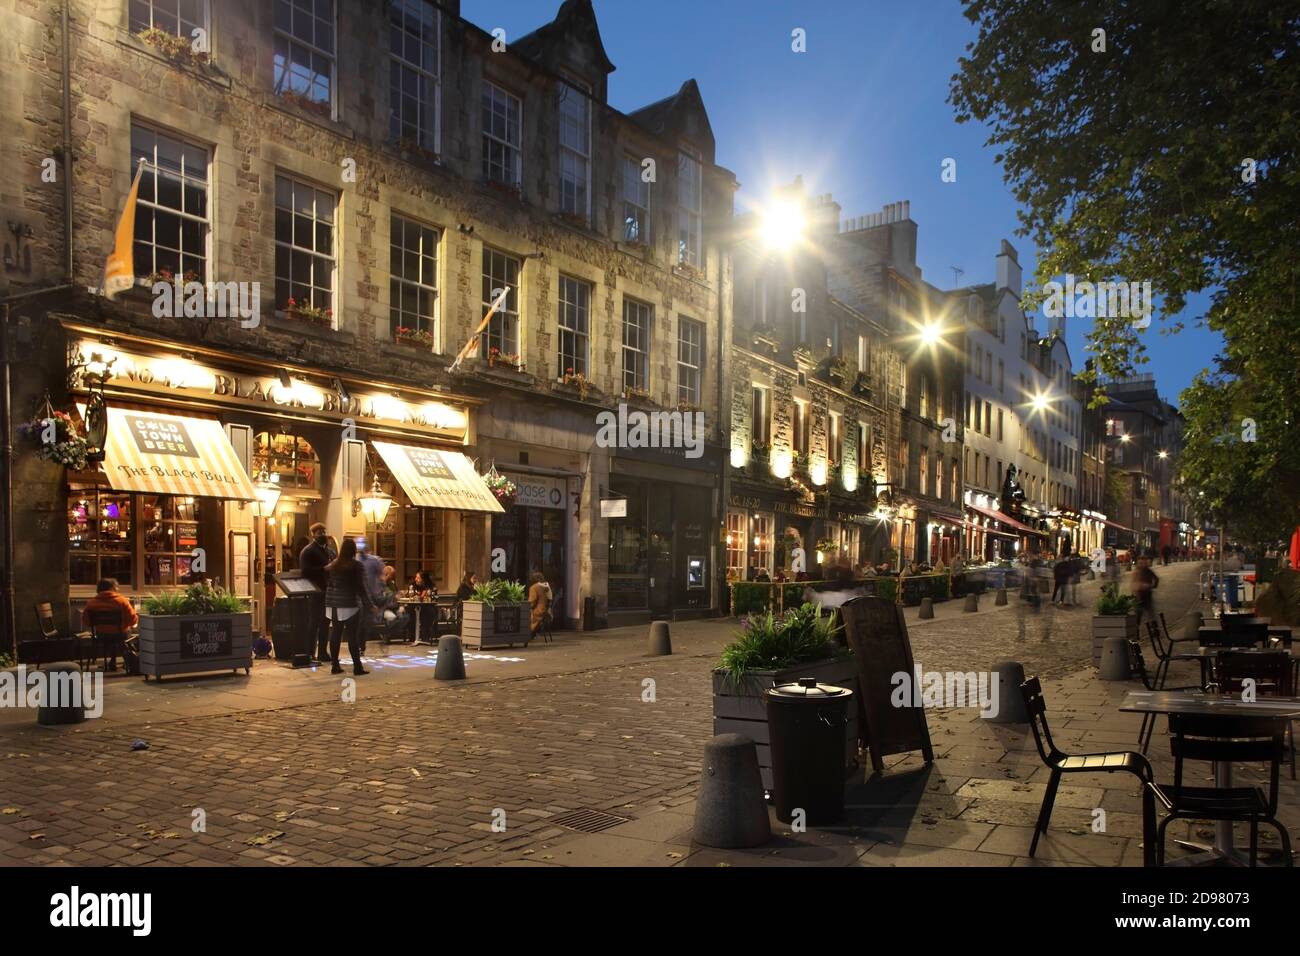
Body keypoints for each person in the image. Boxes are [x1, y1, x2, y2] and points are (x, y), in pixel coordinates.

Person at [323, 538, 372, 675]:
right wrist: (369, 603)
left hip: (332, 603)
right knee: (352, 636)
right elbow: (361, 587)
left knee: (335, 635)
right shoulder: (356, 566)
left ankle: (335, 665)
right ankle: (357, 666)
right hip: (350, 603)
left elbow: (326, 579)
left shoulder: (333, 565)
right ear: (353, 550)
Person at [81, 577, 138, 672]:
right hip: (120, 635)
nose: (118, 589)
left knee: (112, 634)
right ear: (111, 588)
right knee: (125, 634)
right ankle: (130, 662)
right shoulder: (122, 601)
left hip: (101, 635)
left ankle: (112, 661)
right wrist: (127, 624)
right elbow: (132, 620)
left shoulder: (91, 603)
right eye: (116, 587)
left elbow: (86, 621)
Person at [299, 523, 335, 662]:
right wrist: (324, 569)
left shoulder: (329, 550)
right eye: (319, 532)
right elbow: (305, 571)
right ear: (313, 534)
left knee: (325, 622)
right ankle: (309, 652)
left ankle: (322, 652)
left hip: (327, 591)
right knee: (313, 623)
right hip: (315, 592)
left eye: (324, 531)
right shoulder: (308, 551)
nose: (323, 534)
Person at [1130, 555, 1159, 629]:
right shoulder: (1136, 571)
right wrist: (1135, 591)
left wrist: (1151, 586)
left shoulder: (1148, 571)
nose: (1143, 565)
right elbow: (1133, 583)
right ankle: (1136, 630)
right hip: (1138, 596)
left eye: (1144, 563)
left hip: (1147, 595)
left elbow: (1156, 579)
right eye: (1140, 563)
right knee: (1138, 615)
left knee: (1150, 614)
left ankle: (1154, 629)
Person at [527, 571, 553, 641]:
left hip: (538, 611)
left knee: (524, 615)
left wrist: (527, 607)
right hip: (545, 611)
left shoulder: (534, 587)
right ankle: (533, 634)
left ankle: (529, 634)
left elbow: (532, 601)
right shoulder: (545, 586)